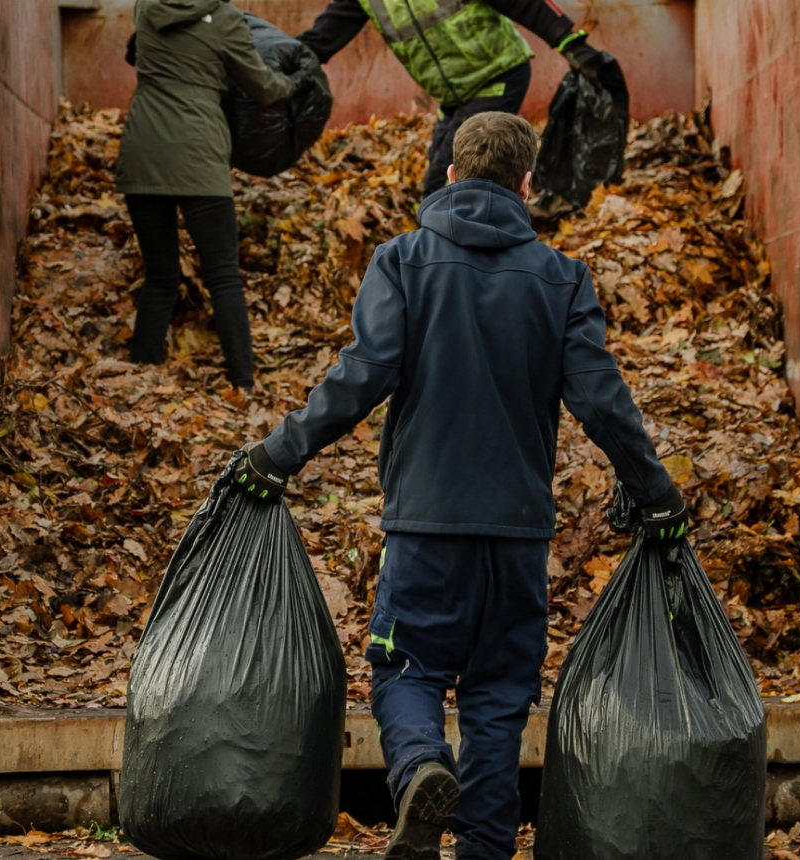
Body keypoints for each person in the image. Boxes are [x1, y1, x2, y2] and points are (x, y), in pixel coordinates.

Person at [230, 112, 687, 860]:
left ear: (450, 174)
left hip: (425, 530)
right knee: (500, 697)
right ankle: (482, 848)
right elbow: (601, 399)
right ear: (526, 185)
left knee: (404, 668)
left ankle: (419, 767)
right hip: (518, 538)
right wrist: (656, 491)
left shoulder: (402, 261)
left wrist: (278, 455)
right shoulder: (562, 278)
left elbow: (362, 376)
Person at [117, 0, 313, 390]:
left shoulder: (146, 7)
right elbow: (262, 86)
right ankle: (244, 383)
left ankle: (140, 376)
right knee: (223, 275)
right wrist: (295, 85)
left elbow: (135, 51)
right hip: (199, 156)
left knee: (160, 276)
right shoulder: (226, 19)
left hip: (143, 154)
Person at [295, 0, 605, 198]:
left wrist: (566, 39)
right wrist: (280, 61)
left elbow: (523, 3)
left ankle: (467, 259)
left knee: (453, 186)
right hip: (454, 95)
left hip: (497, 74)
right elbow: (322, 39)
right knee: (440, 182)